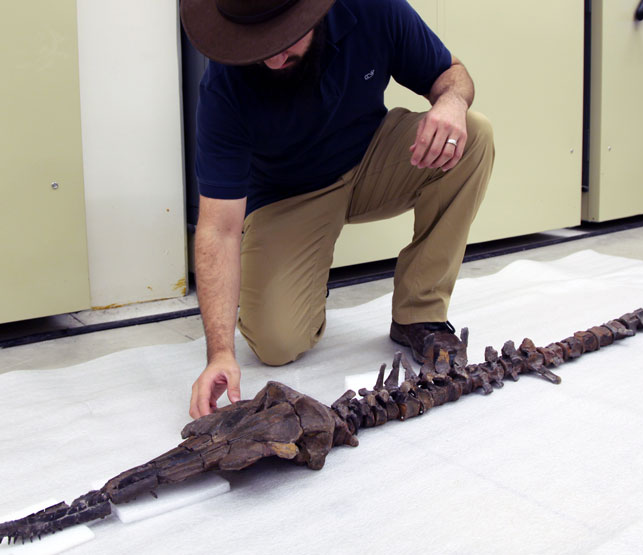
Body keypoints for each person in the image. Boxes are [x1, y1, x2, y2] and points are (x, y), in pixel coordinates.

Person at [180, 0, 495, 418]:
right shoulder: (225, 85)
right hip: (288, 194)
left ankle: (419, 314)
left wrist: (452, 103)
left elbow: (451, 74)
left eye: (286, 38)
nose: (274, 59)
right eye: (260, 45)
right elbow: (218, 229)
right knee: (276, 344)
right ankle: (305, 283)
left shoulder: (374, 8)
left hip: (371, 159)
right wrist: (218, 354)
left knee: (473, 135)